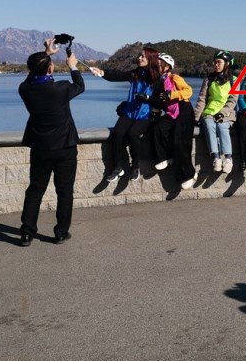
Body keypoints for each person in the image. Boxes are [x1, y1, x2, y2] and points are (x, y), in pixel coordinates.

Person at [17, 38, 86, 247]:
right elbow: (80, 86)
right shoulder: (61, 89)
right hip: (65, 147)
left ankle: (27, 232)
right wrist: (73, 66)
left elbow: (32, 76)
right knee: (64, 191)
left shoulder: (25, 90)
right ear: (49, 69)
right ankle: (61, 233)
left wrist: (45, 55)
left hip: (40, 147)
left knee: (35, 190)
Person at [90, 47, 161, 182]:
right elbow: (116, 76)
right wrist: (101, 73)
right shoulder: (135, 73)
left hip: (144, 115)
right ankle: (117, 168)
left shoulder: (157, 79)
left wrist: (147, 98)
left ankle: (135, 166)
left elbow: (160, 101)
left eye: (143, 56)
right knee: (117, 133)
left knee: (133, 133)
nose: (139, 58)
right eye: (140, 56)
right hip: (129, 112)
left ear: (150, 59)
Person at [151, 53, 196, 189]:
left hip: (184, 110)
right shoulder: (159, 82)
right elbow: (158, 101)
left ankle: (190, 175)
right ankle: (165, 157)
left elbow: (189, 91)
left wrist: (172, 94)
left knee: (180, 141)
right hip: (171, 113)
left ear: (167, 67)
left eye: (159, 65)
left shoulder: (175, 78)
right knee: (158, 127)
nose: (156, 67)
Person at [193, 50, 237, 174]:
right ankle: (216, 157)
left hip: (226, 114)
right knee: (209, 125)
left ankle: (228, 158)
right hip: (210, 112)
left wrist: (222, 112)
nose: (216, 65)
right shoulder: (209, 79)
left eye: (219, 62)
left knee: (222, 127)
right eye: (215, 62)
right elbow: (202, 99)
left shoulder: (234, 80)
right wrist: (196, 117)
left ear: (227, 64)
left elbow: (233, 100)